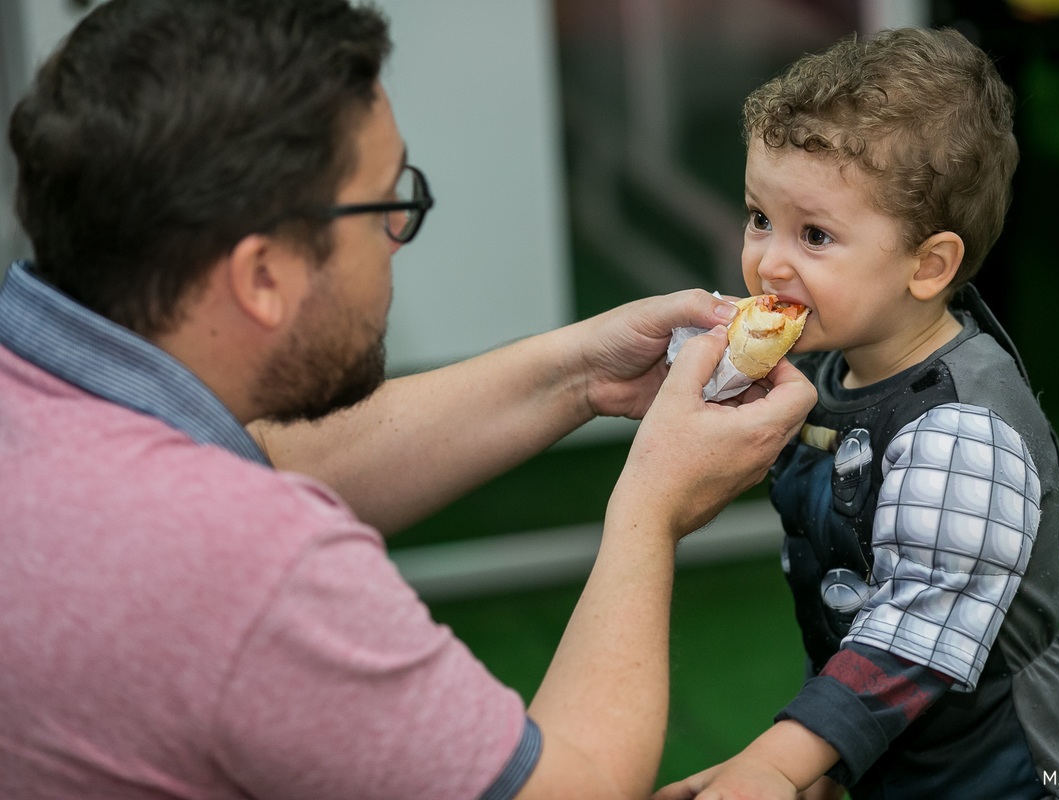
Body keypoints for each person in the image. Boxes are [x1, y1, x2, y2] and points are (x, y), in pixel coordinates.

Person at [0, 2, 817, 799]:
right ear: (262, 276)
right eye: (388, 208)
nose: (397, 242)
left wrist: (583, 376)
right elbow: (580, 789)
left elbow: (254, 460)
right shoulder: (247, 564)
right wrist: (652, 506)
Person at [654, 28, 1059, 800]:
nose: (768, 261)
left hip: (1009, 768)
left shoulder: (963, 431)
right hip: (894, 750)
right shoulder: (824, 361)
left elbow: (916, 636)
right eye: (758, 217)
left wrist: (781, 761)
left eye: (815, 234)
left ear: (929, 264)